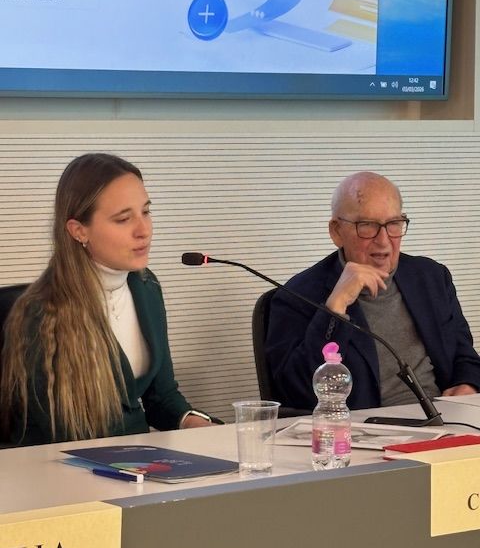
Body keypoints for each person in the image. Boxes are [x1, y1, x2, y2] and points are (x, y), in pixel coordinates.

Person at [0, 153, 217, 446]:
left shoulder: (146, 287)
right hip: (65, 464)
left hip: (137, 460)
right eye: (124, 219)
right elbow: (66, 435)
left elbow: (161, 396)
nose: (144, 231)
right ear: (79, 231)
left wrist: (194, 422)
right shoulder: (40, 313)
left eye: (146, 212)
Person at [265, 171, 480, 411]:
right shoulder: (296, 296)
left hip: (443, 420)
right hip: (361, 428)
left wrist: (468, 384)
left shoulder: (431, 277)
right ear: (337, 231)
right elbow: (296, 392)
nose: (384, 241)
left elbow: (464, 355)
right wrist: (335, 308)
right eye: (367, 226)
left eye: (394, 224)